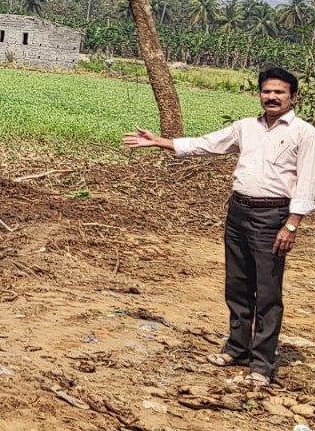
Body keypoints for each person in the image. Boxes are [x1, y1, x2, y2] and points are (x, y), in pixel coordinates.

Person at [123, 66, 315, 386]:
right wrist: (160, 142)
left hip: (273, 218)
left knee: (267, 292)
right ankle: (237, 348)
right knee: (237, 285)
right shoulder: (245, 128)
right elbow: (206, 144)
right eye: (267, 91)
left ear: (292, 97)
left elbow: (308, 182)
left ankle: (262, 364)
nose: (272, 97)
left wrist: (292, 224)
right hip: (238, 212)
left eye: (279, 92)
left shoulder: (304, 133)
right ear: (259, 94)